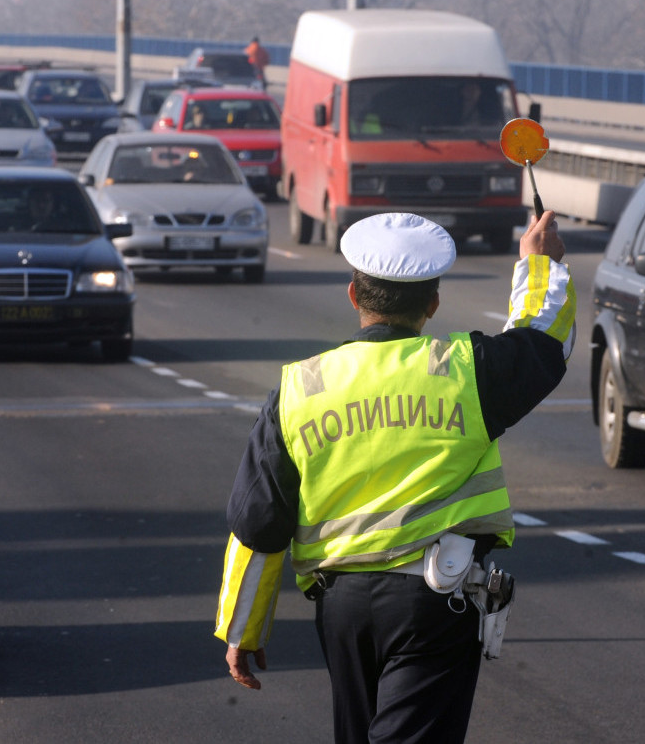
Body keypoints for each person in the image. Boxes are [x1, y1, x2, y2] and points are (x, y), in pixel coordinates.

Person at [215, 210, 576, 743]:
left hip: (340, 608)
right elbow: (543, 341)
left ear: (353, 294)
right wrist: (539, 263)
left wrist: (243, 628)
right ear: (432, 303)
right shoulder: (466, 371)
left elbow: (259, 520)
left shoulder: (299, 389)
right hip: (435, 603)